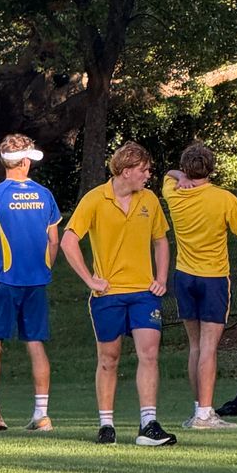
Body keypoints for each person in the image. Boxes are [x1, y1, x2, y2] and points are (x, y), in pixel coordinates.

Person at [61, 142, 175, 446]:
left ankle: (148, 425)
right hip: (108, 296)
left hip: (144, 293)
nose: (148, 175)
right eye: (143, 170)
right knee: (108, 359)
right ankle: (106, 425)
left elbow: (161, 241)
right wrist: (90, 279)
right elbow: (68, 241)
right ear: (126, 171)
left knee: (149, 354)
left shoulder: (150, 200)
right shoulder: (94, 199)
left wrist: (161, 278)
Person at [162, 143, 237, 431]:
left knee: (195, 347)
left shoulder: (173, 191)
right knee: (208, 348)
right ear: (212, 168)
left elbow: (168, 173)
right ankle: (205, 415)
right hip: (213, 279)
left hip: (184, 277)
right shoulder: (224, 198)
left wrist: (180, 176)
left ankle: (198, 410)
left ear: (186, 168)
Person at [0, 133, 61, 432]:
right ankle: (42, 414)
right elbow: (53, 241)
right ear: (25, 162)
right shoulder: (45, 195)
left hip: (4, 279)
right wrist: (44, 268)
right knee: (35, 343)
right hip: (35, 281)